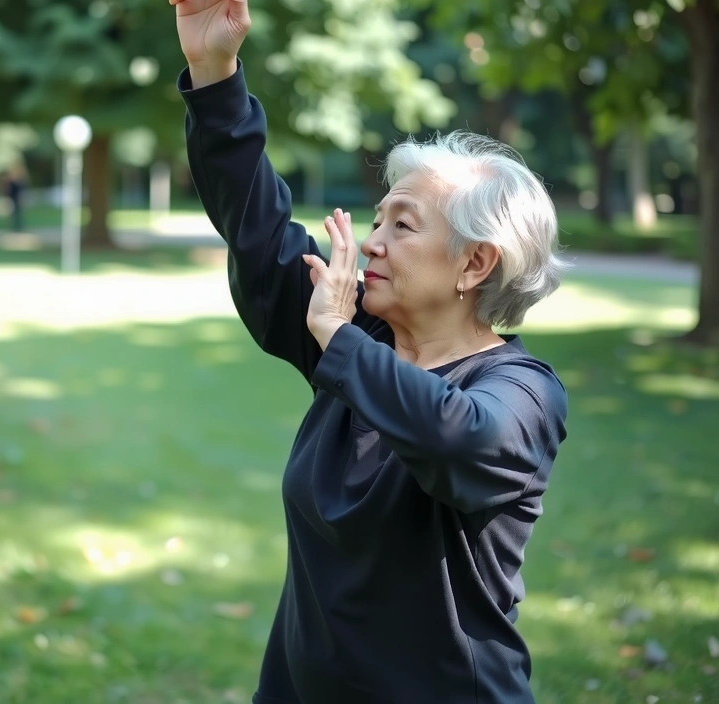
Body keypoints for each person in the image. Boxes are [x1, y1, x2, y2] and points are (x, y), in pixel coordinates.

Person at [169, 0, 569, 702]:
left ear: (474, 264)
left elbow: (457, 440)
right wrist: (214, 70)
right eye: (378, 218)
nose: (372, 243)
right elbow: (259, 231)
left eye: (403, 225)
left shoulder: (523, 392)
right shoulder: (356, 338)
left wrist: (339, 338)